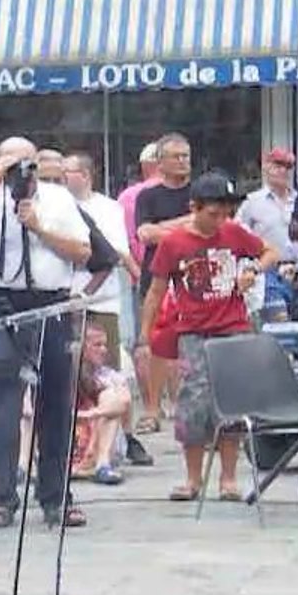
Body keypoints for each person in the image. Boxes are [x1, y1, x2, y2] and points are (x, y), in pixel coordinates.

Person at [0, 136, 91, 529]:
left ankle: (55, 496)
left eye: (27, 163)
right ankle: (1, 494)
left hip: (50, 300)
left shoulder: (58, 198)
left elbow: (83, 252)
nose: (22, 172)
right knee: (0, 403)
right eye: (12, 164)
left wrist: (39, 227)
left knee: (55, 401)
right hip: (1, 299)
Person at [140, 173, 279, 501]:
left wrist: (253, 270)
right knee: (194, 404)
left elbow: (271, 252)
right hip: (193, 332)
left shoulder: (233, 233)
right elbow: (156, 289)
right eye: (212, 214)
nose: (219, 221)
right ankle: (192, 478)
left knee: (231, 403)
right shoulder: (174, 243)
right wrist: (145, 335)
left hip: (233, 327)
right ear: (194, 208)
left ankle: (228, 479)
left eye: (224, 214)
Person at [63, 153, 153, 467]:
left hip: (100, 301)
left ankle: (126, 437)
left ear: (86, 175)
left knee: (110, 371)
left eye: (69, 171)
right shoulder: (54, 204)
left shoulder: (107, 208)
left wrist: (84, 293)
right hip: (61, 300)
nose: (63, 176)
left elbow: (114, 252)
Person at [134, 133, 193, 433]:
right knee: (153, 344)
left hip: (196, 279)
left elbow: (216, 223)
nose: (183, 161)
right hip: (157, 277)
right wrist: (190, 222)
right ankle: (152, 410)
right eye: (176, 156)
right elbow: (145, 235)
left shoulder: (201, 191)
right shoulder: (149, 196)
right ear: (160, 162)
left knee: (193, 348)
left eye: (186, 155)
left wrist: (164, 229)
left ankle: (188, 410)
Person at [236, 149, 298, 322]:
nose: (283, 170)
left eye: (288, 166)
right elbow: (236, 236)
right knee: (279, 326)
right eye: (278, 165)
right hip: (268, 274)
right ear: (266, 167)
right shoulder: (252, 202)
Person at [72, 324, 133, 485]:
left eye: (105, 344)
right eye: (97, 345)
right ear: (81, 347)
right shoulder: (63, 375)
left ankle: (102, 465)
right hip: (72, 437)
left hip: (102, 441)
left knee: (110, 398)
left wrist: (89, 414)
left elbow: (124, 402)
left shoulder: (111, 376)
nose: (104, 350)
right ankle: (23, 466)